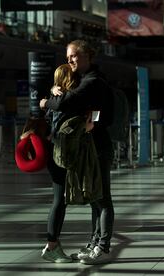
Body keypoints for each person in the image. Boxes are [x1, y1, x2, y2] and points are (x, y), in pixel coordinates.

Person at [40, 39, 114, 265]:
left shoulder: (93, 81)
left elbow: (71, 102)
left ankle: (101, 246)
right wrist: (56, 93)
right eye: (68, 56)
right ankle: (93, 243)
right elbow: (80, 105)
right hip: (87, 148)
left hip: (98, 147)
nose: (69, 60)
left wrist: (46, 102)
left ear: (87, 56)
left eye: (73, 55)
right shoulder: (84, 80)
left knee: (102, 198)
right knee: (94, 196)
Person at [39, 64, 79, 263]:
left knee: (59, 199)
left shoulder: (56, 96)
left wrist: (47, 98)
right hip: (61, 153)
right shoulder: (66, 98)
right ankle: (51, 245)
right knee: (59, 200)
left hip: (54, 152)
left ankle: (52, 244)